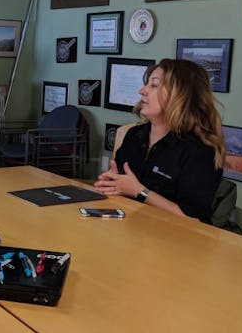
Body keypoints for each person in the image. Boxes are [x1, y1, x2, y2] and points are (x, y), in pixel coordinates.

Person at [94, 59, 225, 223]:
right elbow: (122, 188)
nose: (142, 91)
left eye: (153, 85)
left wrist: (139, 191)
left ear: (180, 96)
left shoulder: (200, 151)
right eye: (146, 84)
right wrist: (112, 184)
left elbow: (193, 220)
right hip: (130, 230)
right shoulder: (134, 135)